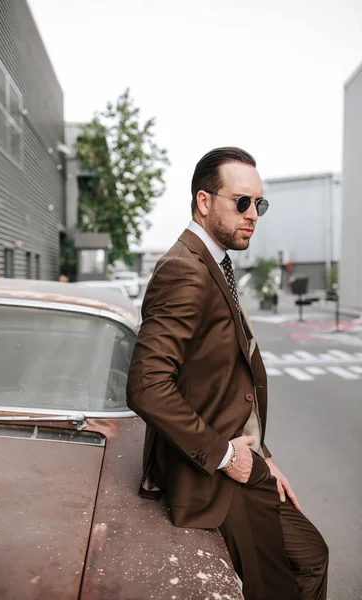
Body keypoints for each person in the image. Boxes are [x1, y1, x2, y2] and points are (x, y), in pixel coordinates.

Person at [126, 147, 328, 600]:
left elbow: (221, 382)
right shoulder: (184, 269)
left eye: (260, 204)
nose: (253, 214)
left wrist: (263, 454)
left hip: (243, 457)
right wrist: (226, 456)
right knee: (287, 578)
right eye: (241, 202)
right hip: (212, 476)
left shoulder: (215, 264)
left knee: (310, 556)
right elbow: (146, 385)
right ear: (203, 201)